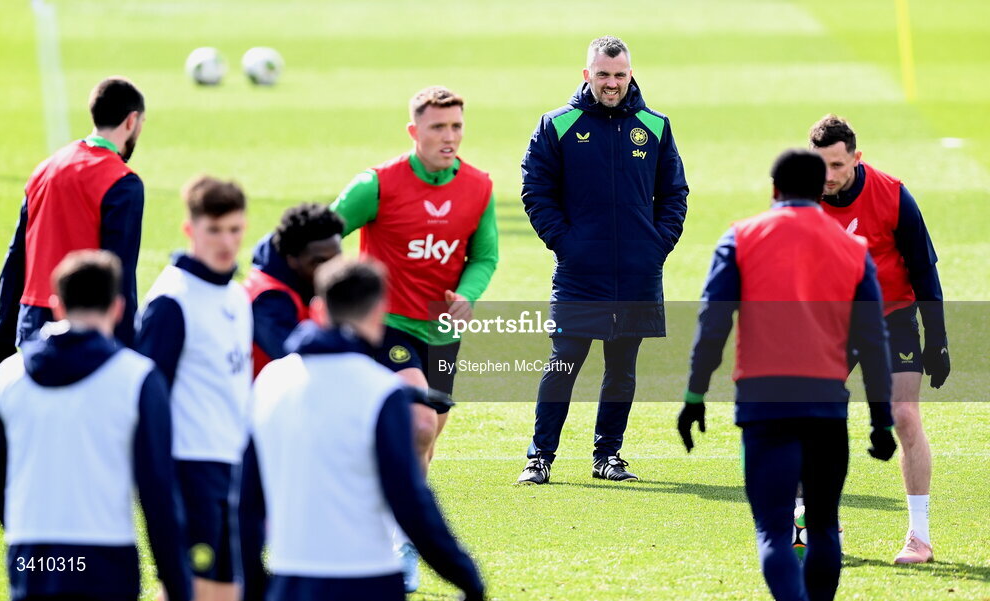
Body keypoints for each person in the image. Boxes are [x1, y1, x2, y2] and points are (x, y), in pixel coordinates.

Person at [677, 149, 896, 601]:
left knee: (775, 530)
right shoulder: (853, 250)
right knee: (822, 526)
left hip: (763, 405)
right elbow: (874, 343)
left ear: (774, 189)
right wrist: (881, 420)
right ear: (820, 190)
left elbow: (711, 324)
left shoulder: (741, 237)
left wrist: (694, 396)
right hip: (826, 407)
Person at [330, 85, 498, 590]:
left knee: (426, 439)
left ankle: (388, 523)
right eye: (438, 128)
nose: (449, 137)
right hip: (388, 325)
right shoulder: (377, 185)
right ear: (414, 132)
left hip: (441, 328)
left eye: (456, 127)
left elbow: (484, 255)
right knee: (420, 426)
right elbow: (323, 234)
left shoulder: (478, 186)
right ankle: (399, 544)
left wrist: (467, 293)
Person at [241, 259, 485, 601]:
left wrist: (252, 578)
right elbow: (411, 502)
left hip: (289, 579)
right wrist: (467, 578)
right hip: (368, 580)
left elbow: (247, 498)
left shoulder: (270, 381)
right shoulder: (382, 392)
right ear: (379, 312)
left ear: (318, 308)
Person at [517, 35, 689, 485]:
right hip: (579, 272)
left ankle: (608, 456)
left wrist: (657, 244)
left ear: (630, 73)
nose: (611, 83)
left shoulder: (654, 125)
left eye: (619, 74)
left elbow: (674, 193)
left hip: (636, 271)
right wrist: (566, 243)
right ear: (586, 74)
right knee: (563, 363)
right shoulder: (557, 124)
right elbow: (536, 190)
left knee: (621, 371)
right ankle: (540, 458)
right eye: (603, 74)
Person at [0, 250, 191, 601]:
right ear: (118, 307)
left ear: (57, 305)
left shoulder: (9, 375)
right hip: (104, 556)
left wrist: (26, 535)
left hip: (30, 554)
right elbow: (157, 491)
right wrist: (176, 582)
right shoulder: (136, 377)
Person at [809, 115, 947, 563]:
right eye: (820, 165)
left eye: (837, 165)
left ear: (856, 158)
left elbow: (924, 268)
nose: (828, 176)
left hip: (892, 315)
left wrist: (938, 340)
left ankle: (919, 537)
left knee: (904, 415)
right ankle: (817, 524)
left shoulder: (892, 195)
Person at [135, 176, 252, 601]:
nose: (227, 241)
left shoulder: (238, 297)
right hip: (188, 468)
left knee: (226, 592)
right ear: (191, 230)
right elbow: (146, 393)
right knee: (186, 590)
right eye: (215, 230)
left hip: (232, 465)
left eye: (235, 229)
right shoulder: (172, 301)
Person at [0, 76, 147, 371]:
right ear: (132, 121)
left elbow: (16, 257)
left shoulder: (46, 168)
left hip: (31, 320)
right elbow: (120, 272)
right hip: (87, 324)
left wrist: (2, 336)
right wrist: (127, 347)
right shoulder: (123, 182)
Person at [244, 203, 344, 377]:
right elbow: (300, 363)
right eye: (320, 262)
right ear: (292, 259)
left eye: (337, 259)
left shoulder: (309, 283)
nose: (331, 270)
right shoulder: (267, 300)